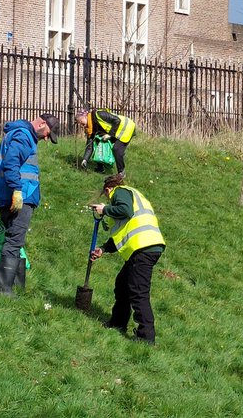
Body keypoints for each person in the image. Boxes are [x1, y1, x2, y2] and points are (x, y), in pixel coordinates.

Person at [89, 173, 165, 344]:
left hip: (143, 248)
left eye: (107, 197)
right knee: (122, 285)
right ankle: (117, 323)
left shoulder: (120, 193)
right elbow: (125, 230)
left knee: (138, 292)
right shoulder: (133, 194)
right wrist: (103, 249)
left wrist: (105, 210)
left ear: (108, 189)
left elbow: (125, 211)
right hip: (144, 247)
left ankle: (146, 338)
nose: (109, 201)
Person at [0, 113, 59, 296]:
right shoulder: (23, 136)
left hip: (12, 196)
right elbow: (11, 162)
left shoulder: (19, 134)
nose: (46, 138)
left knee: (15, 239)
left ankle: (17, 285)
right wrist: (17, 190)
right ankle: (3, 290)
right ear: (42, 123)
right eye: (47, 133)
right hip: (20, 197)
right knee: (15, 240)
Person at [76, 108, 136, 175]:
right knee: (98, 144)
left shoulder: (98, 114)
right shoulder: (90, 129)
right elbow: (90, 146)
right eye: (80, 124)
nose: (82, 125)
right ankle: (100, 168)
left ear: (85, 116)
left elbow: (117, 120)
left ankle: (121, 173)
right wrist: (85, 160)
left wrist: (110, 135)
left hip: (126, 127)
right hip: (116, 131)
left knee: (117, 149)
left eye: (81, 122)